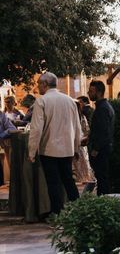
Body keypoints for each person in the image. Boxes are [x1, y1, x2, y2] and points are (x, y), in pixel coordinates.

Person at [28, 72, 81, 215]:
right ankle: (80, 211)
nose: (37, 86)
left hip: (49, 149)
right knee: (68, 180)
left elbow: (36, 129)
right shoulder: (70, 101)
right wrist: (76, 148)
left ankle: (57, 213)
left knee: (53, 183)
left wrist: (32, 151)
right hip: (67, 148)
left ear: (45, 84)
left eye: (39, 83)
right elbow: (77, 127)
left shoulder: (42, 101)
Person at [87, 80, 114, 196]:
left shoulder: (102, 108)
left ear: (98, 92)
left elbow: (104, 132)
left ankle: (103, 202)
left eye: (91, 91)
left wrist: (96, 149)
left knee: (102, 179)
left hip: (101, 150)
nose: (88, 93)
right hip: (103, 148)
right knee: (102, 178)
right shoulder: (103, 107)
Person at [72, 100, 94, 186]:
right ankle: (84, 178)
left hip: (76, 143)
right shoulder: (82, 117)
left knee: (77, 163)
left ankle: (78, 178)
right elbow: (86, 130)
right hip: (82, 142)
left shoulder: (73, 118)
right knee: (83, 163)